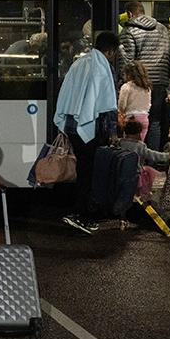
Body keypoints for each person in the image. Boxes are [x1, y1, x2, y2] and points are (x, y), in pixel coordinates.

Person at [53, 31, 120, 235]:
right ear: (110, 51)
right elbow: (107, 103)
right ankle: (80, 215)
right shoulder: (103, 68)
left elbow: (68, 91)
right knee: (87, 173)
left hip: (73, 125)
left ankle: (78, 212)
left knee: (82, 170)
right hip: (90, 127)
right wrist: (113, 131)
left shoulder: (80, 62)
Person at [118, 1, 170, 149]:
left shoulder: (129, 31)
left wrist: (122, 82)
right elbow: (169, 56)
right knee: (154, 123)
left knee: (134, 122)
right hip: (160, 81)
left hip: (139, 84)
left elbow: (126, 61)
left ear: (129, 14)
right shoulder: (162, 29)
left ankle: (133, 157)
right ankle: (152, 161)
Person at [117, 118, 170, 203]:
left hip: (120, 173)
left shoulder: (119, 143)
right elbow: (152, 155)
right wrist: (167, 156)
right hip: (135, 174)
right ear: (138, 133)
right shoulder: (139, 146)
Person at [118, 61, 152, 142]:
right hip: (144, 119)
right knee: (140, 145)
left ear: (129, 75)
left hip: (131, 120)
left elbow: (122, 105)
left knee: (129, 147)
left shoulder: (126, 87)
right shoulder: (146, 88)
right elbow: (149, 105)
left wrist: (120, 112)